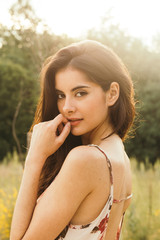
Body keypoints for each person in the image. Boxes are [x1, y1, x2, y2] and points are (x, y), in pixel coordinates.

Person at [10, 40, 135, 240]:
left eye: (80, 93)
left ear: (112, 93)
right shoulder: (120, 155)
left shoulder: (85, 160)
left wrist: (34, 157)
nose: (67, 107)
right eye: (61, 95)